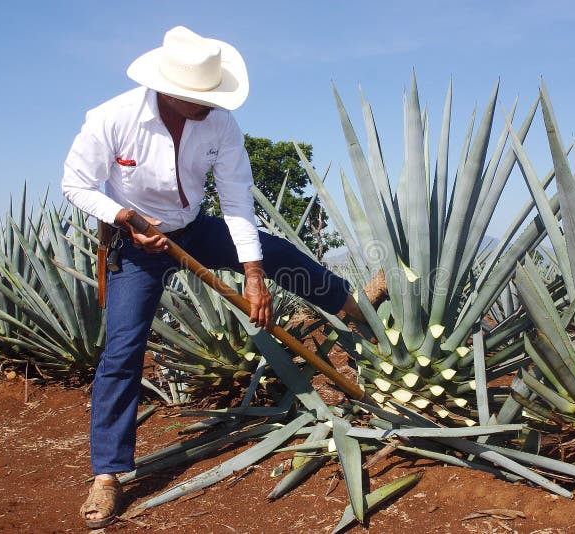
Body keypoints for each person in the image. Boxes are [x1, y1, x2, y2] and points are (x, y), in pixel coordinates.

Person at [61, 26, 364, 528]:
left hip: (193, 230)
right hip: (136, 246)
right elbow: (75, 183)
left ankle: (353, 309)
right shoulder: (112, 118)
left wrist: (253, 274)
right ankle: (108, 475)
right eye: (201, 97)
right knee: (123, 350)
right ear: (170, 89)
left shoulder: (219, 124)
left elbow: (238, 201)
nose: (211, 104)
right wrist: (126, 220)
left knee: (277, 251)